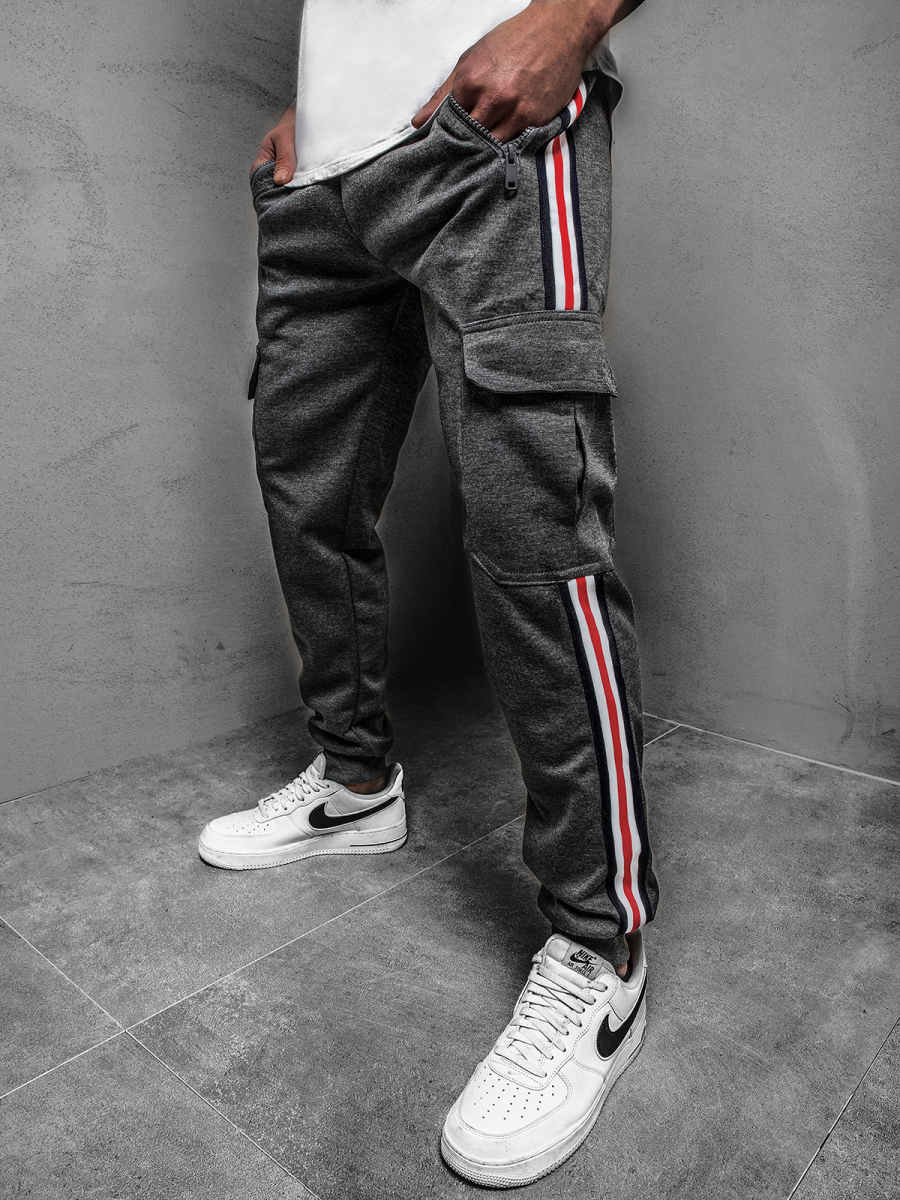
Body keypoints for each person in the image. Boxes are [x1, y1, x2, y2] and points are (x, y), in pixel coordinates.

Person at [198, 0, 658, 1186]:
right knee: (309, 492)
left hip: (487, 136)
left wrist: (572, 15)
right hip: (323, 183)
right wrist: (324, 105)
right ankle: (355, 785)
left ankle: (599, 946)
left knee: (532, 531)